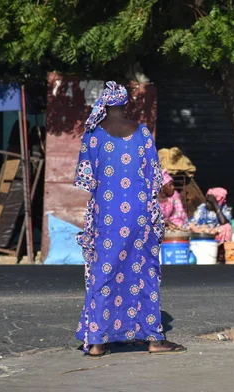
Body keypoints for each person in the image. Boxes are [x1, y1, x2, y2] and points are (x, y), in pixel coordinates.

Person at [73, 81, 186, 357]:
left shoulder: (93, 136)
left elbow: (86, 180)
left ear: (104, 104)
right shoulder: (143, 133)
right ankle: (154, 339)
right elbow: (155, 179)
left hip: (107, 217)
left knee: (104, 272)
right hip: (140, 214)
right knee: (144, 271)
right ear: (125, 103)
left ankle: (98, 341)